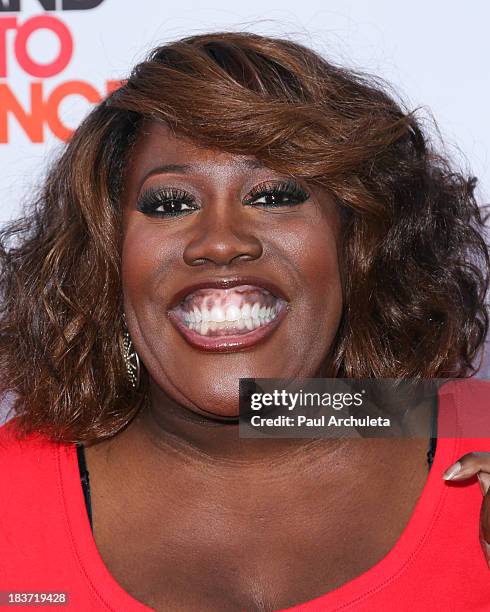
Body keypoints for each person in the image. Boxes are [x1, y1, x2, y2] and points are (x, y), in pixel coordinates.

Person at [0, 31, 489, 612]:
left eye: (273, 195)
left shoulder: (476, 429)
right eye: (170, 204)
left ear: (360, 241)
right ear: (105, 258)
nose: (221, 242)